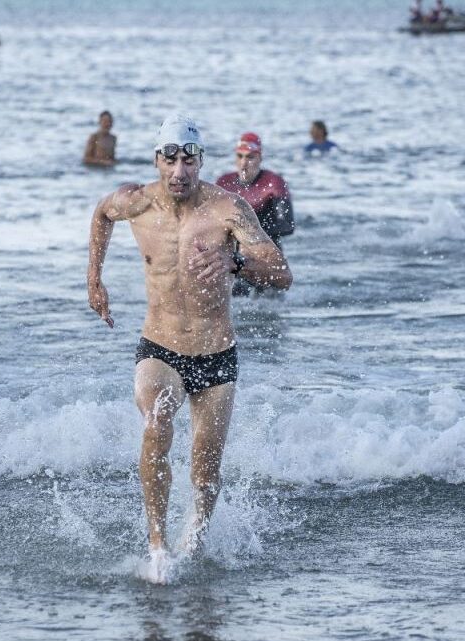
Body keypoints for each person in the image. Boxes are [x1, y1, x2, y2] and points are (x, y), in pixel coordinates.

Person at [86, 115, 292, 577]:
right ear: (157, 160)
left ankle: (193, 540)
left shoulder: (228, 209)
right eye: (170, 159)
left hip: (217, 355)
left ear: (200, 162)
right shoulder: (135, 203)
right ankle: (158, 548)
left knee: (205, 472)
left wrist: (235, 262)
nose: (179, 171)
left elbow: (281, 273)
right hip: (160, 347)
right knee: (157, 419)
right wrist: (94, 281)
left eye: (189, 160)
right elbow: (101, 214)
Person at [216, 132, 295, 295]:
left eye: (250, 157)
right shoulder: (224, 183)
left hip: (266, 253)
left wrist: (250, 235)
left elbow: (288, 225)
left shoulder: (274, 183)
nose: (244, 163)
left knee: (268, 304)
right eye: (240, 156)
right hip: (235, 255)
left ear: (260, 158)